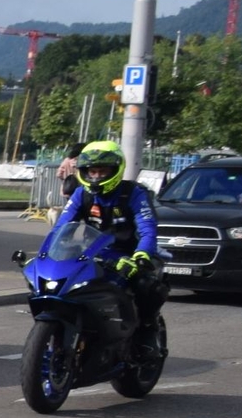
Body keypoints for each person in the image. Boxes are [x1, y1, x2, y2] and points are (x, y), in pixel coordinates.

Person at [55, 138, 164, 331]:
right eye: (92, 171)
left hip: (129, 255)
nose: (96, 176)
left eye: (102, 171)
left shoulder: (134, 193)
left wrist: (142, 255)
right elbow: (61, 227)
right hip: (92, 254)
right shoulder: (81, 194)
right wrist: (53, 251)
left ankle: (147, 330)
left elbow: (147, 228)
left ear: (115, 170)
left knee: (146, 285)